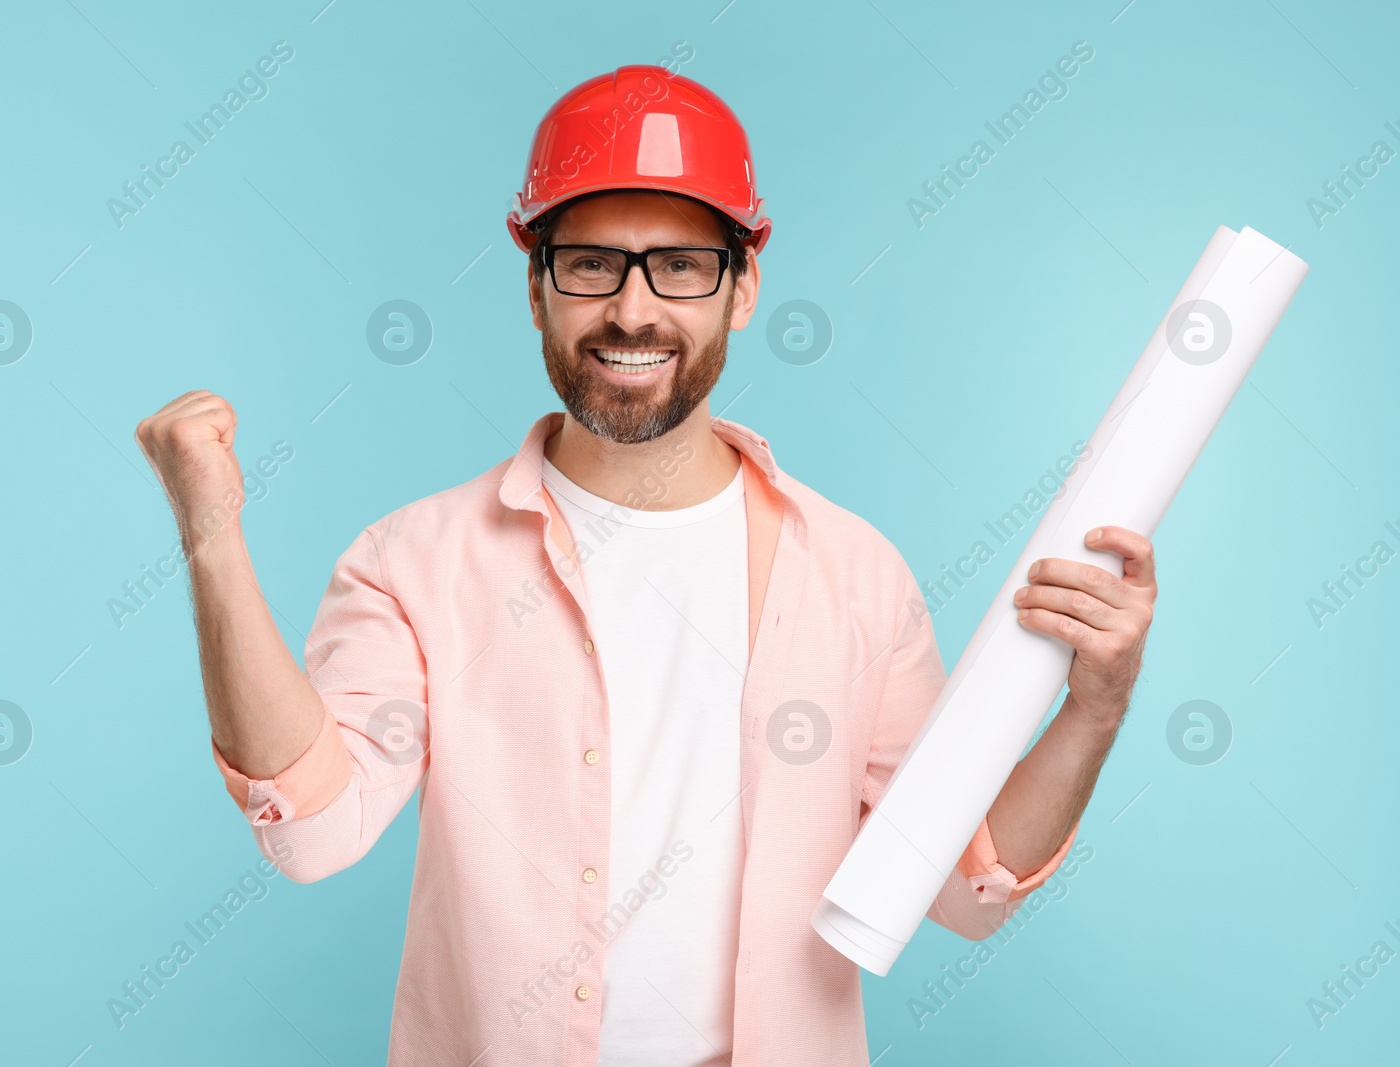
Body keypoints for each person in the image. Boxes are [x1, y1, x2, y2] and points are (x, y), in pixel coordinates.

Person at [133, 65, 1156, 1067]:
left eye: (678, 264)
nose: (631, 310)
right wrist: (211, 535)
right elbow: (313, 829)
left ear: (742, 286)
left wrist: (1092, 706)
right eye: (588, 263)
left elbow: (957, 883)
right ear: (536, 288)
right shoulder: (414, 562)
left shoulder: (855, 574)